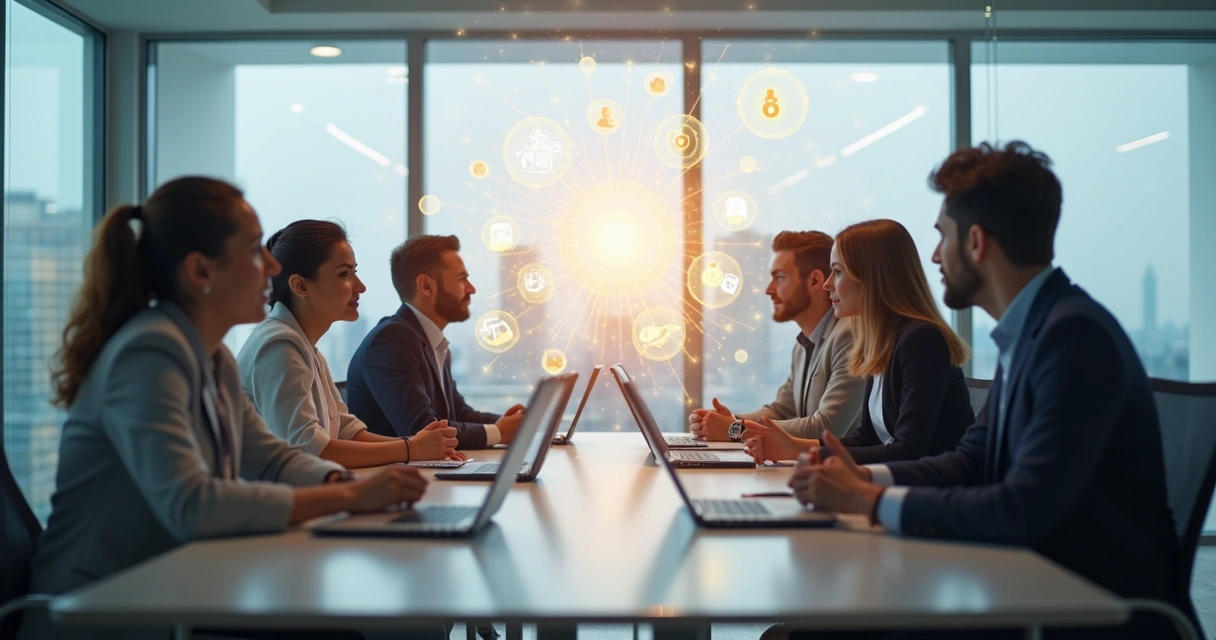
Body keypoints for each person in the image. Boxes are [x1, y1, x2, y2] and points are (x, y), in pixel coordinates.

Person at [788, 142, 1181, 638]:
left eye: (941, 237)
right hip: (1029, 580)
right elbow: (969, 462)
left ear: (976, 243)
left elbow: (1021, 508)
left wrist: (867, 500)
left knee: (824, 628)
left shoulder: (1073, 338)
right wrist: (863, 479)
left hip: (1087, 607)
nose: (933, 255)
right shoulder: (1034, 333)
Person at [20, 178, 428, 640]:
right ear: (200, 271)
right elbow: (191, 504)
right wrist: (350, 498)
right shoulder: (148, 353)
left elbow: (271, 457)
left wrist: (338, 480)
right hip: (103, 610)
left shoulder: (210, 355)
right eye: (256, 251)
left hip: (171, 584)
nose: (271, 265)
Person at [743, 219, 974, 466]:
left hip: (936, 494)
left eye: (838, 272)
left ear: (872, 277)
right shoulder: (879, 341)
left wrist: (803, 453)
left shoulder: (922, 340)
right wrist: (793, 447)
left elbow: (908, 451)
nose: (827, 284)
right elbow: (866, 439)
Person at [237, 220, 462, 468]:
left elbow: (346, 430)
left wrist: (417, 445)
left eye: (354, 271)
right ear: (301, 286)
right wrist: (410, 449)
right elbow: (307, 449)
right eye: (344, 274)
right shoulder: (279, 345)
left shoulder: (304, 346)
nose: (361, 286)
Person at [346, 235, 524, 450]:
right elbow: (421, 429)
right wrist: (499, 432)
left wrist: (509, 424)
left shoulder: (433, 343)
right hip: (396, 477)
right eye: (461, 279)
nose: (471, 288)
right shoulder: (391, 340)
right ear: (426, 286)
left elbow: (458, 414)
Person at [688, 231, 865, 444]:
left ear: (815, 280)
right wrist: (730, 420)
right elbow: (783, 410)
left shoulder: (849, 336)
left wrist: (735, 429)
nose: (769, 290)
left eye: (779, 277)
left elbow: (827, 427)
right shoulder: (803, 344)